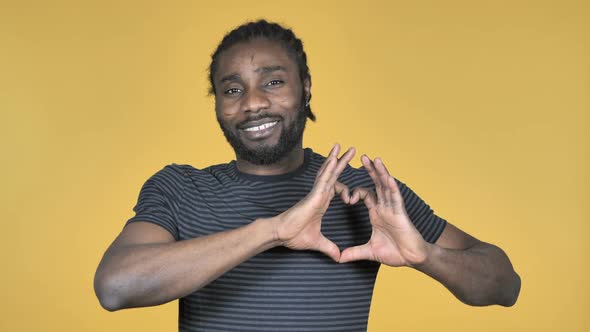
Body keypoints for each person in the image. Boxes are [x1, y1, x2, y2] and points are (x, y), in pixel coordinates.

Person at [94, 20, 521, 331]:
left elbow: (505, 284)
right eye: (232, 89)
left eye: (274, 81)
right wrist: (274, 230)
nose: (253, 103)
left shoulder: (367, 195)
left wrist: (427, 256)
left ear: (306, 87)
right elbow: (116, 287)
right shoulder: (180, 189)